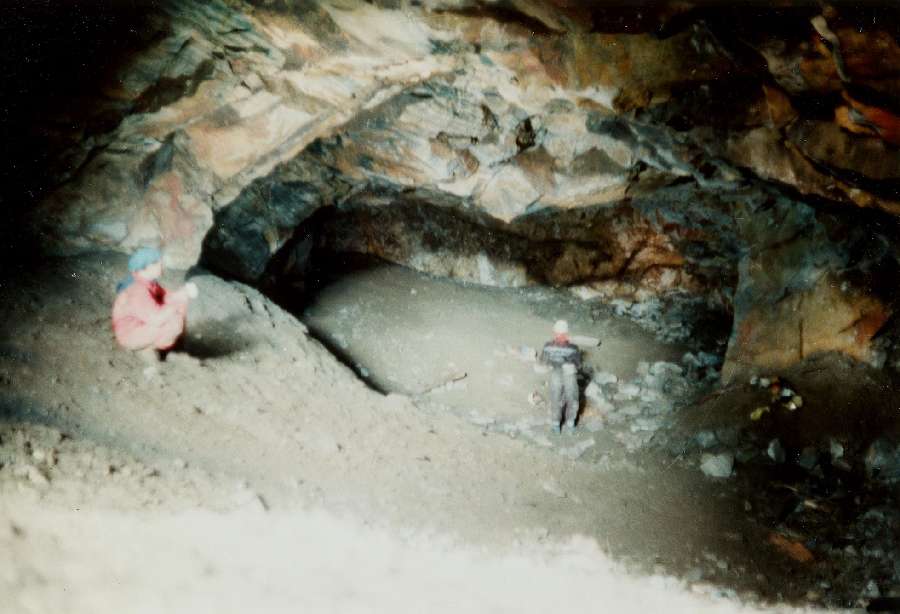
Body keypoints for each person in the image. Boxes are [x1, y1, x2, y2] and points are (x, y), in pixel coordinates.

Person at [112, 247, 198, 358]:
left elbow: (164, 298)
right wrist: (177, 302)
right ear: (147, 266)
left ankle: (156, 345)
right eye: (158, 263)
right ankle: (151, 350)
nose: (162, 266)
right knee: (174, 321)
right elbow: (156, 318)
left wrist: (181, 293)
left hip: (140, 325)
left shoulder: (148, 282)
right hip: (129, 335)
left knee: (180, 306)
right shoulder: (137, 289)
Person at [541, 320, 582, 434]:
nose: (559, 336)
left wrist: (569, 365)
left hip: (566, 374)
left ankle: (566, 424)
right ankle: (558, 425)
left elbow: (578, 364)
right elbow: (543, 361)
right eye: (558, 334)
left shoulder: (572, 348)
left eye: (561, 334)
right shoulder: (550, 347)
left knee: (568, 398)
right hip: (560, 373)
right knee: (558, 398)